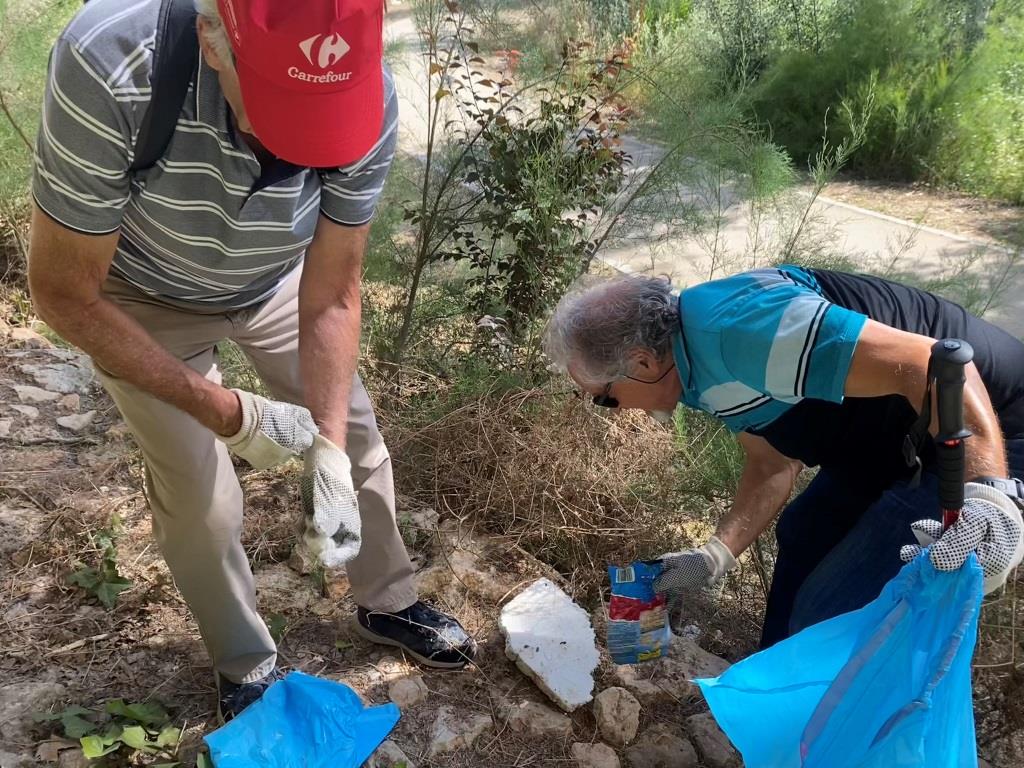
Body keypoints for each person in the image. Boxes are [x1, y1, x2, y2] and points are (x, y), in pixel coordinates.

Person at [28, 0, 474, 720]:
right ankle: (246, 664)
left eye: (323, 121)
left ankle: (387, 599)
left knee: (353, 439)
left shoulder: (367, 95)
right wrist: (232, 416)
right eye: (283, 113)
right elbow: (61, 292)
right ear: (212, 41)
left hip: (276, 280)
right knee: (203, 497)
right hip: (138, 296)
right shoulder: (114, 62)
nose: (304, 151)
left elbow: (332, 293)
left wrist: (321, 444)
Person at [544, 266, 1024, 648]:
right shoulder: (692, 364)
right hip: (893, 440)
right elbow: (773, 464)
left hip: (986, 432)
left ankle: (814, 735)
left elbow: (932, 363)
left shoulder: (738, 331)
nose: (613, 410)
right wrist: (714, 556)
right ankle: (770, 705)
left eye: (604, 397)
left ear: (642, 362)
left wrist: (990, 496)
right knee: (805, 530)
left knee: (831, 609)